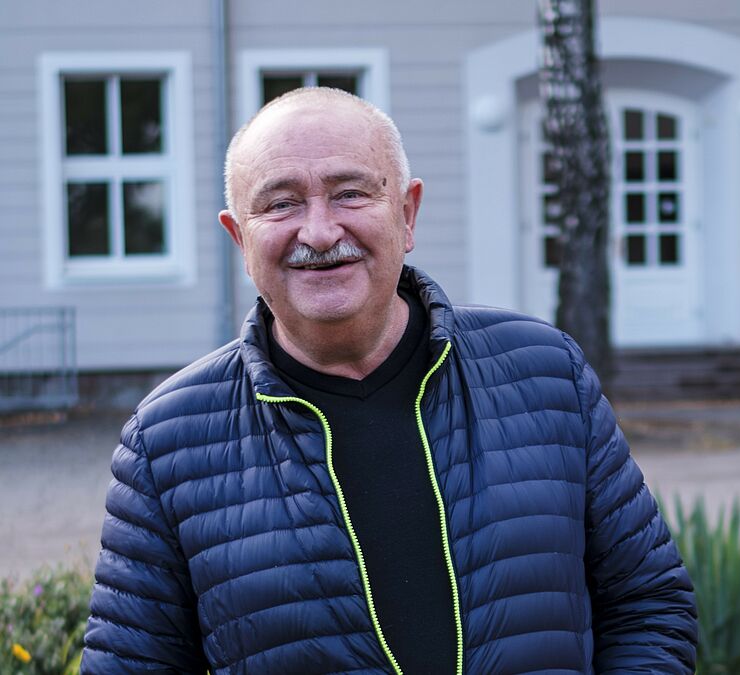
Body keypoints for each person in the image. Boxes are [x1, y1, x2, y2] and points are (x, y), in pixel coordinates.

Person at [80, 87, 697, 674]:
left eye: (350, 193)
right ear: (240, 238)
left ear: (407, 213)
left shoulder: (544, 371)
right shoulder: (167, 442)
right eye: (280, 203)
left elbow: (649, 605)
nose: (319, 232)